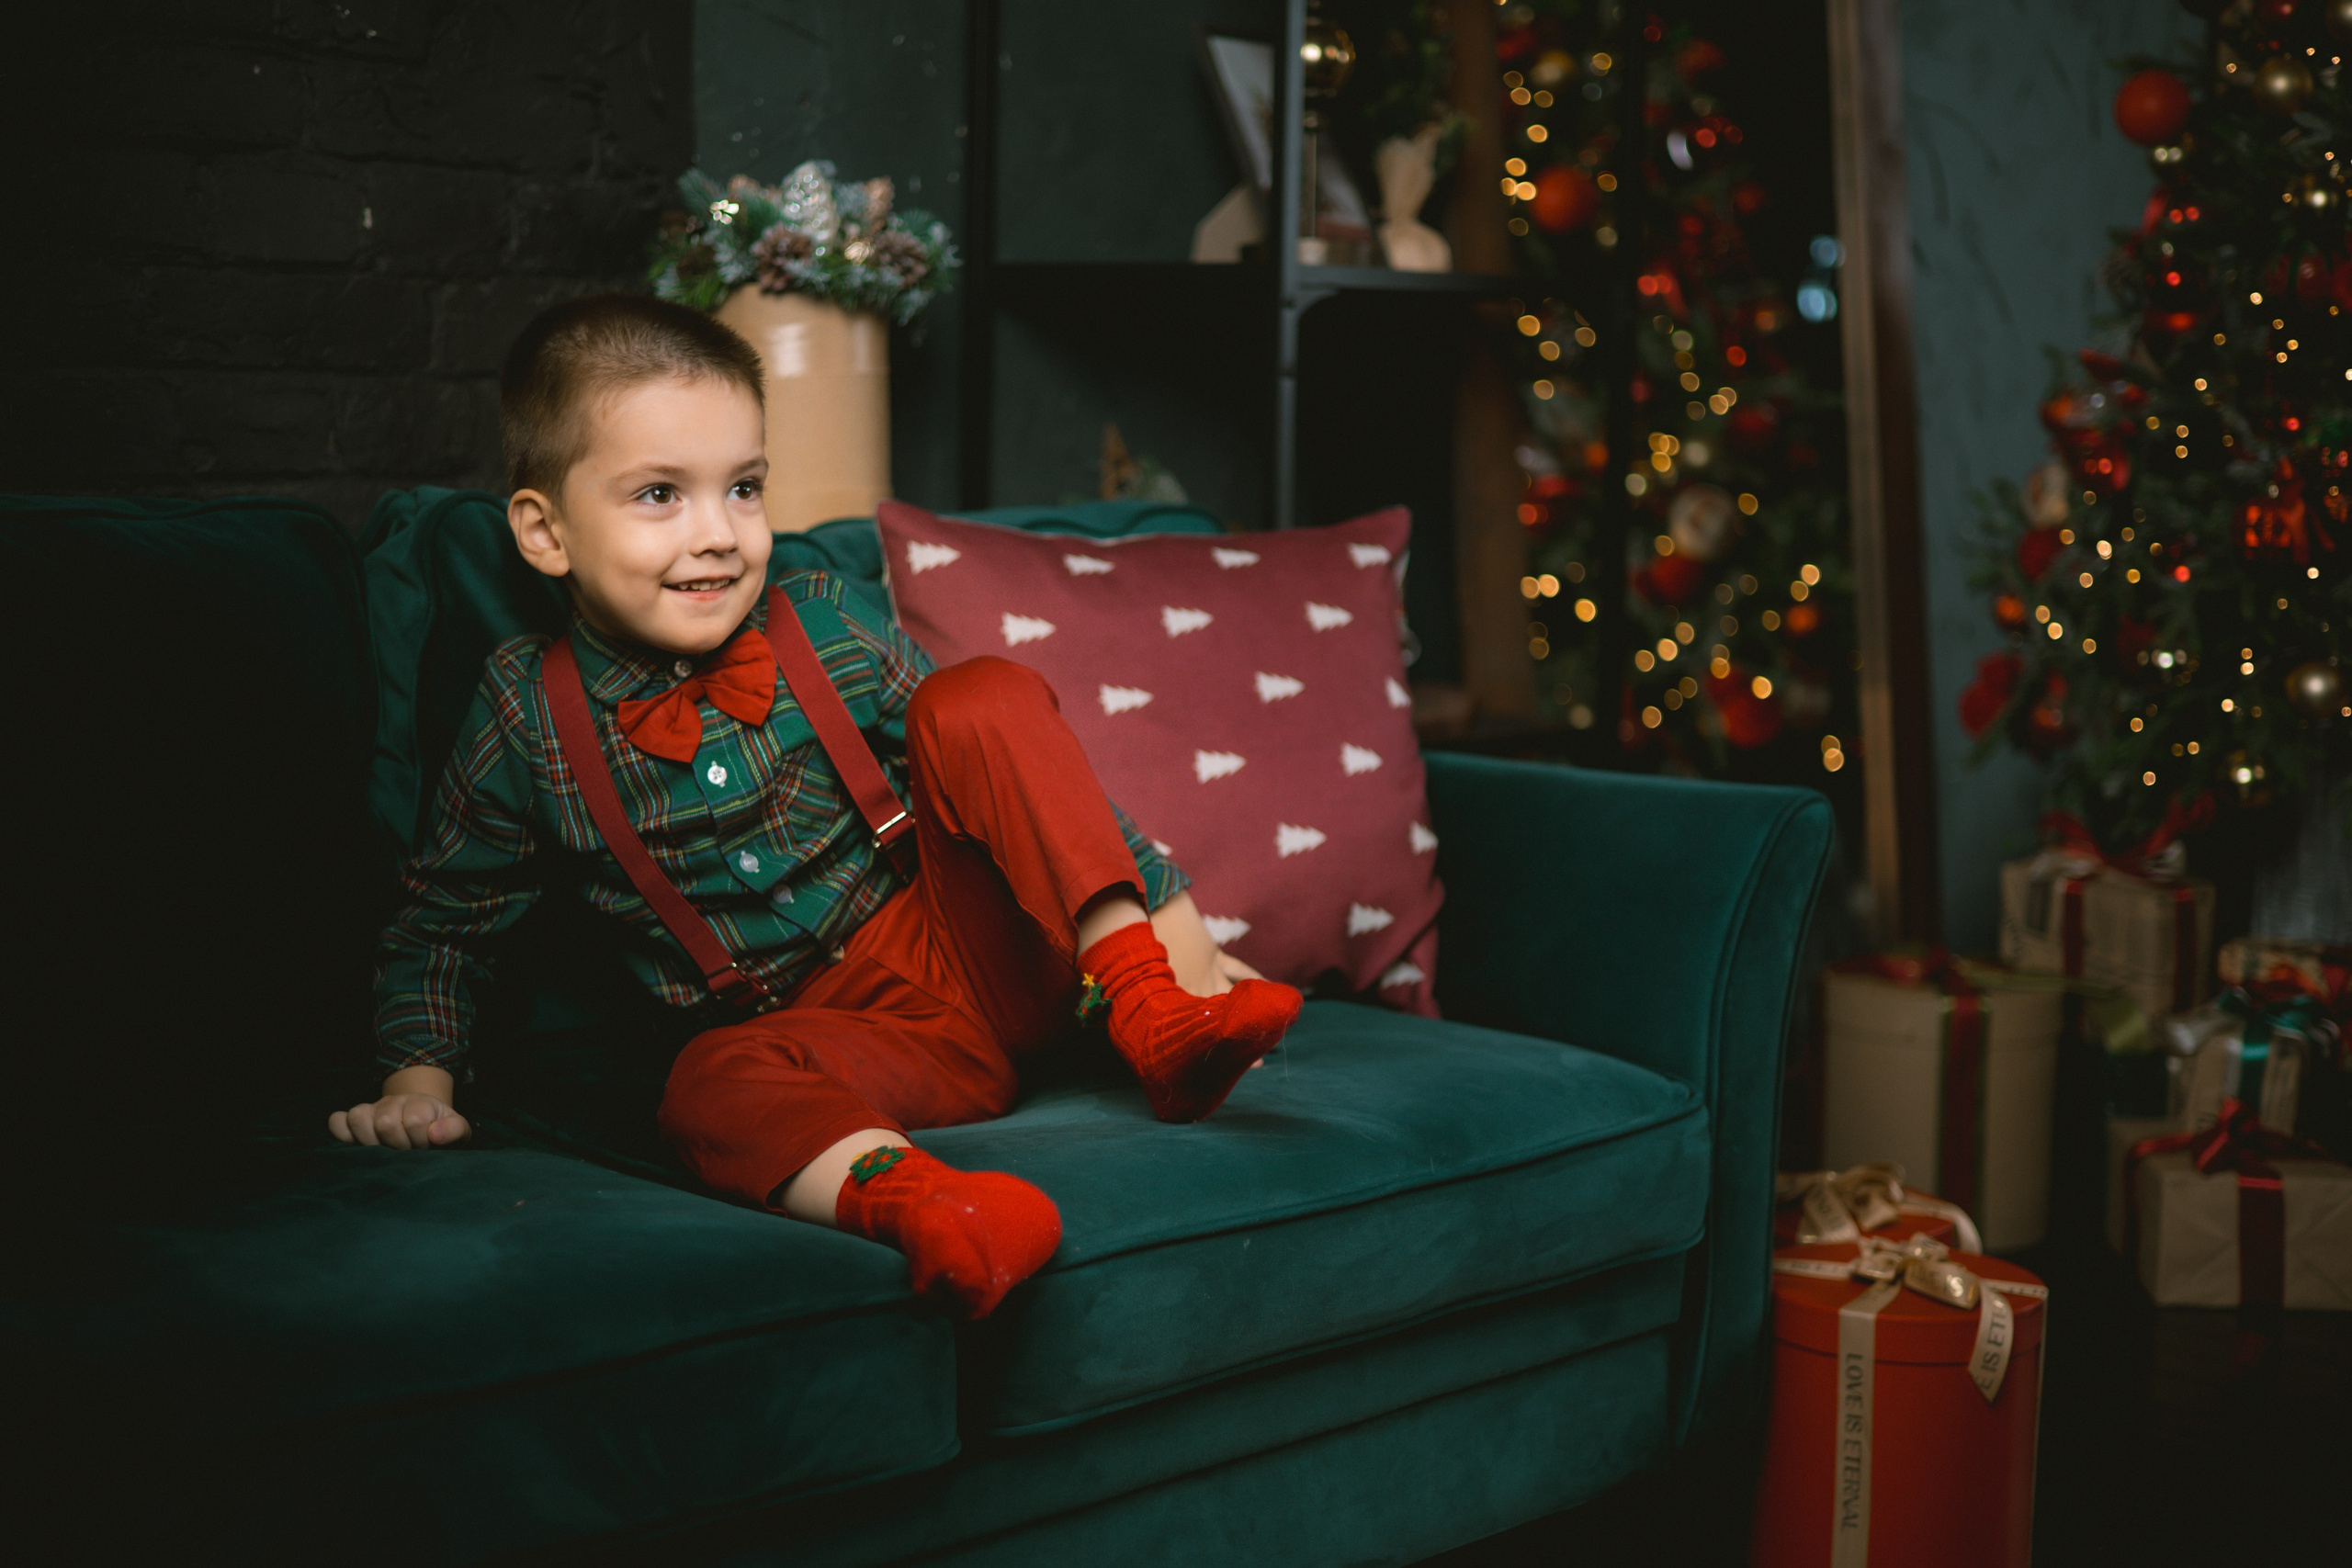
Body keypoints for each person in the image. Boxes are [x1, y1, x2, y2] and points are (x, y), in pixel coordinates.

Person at [331, 294, 1301, 1318]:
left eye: (743, 488)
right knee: (705, 1082)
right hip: (844, 1039)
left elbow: (1013, 774)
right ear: (544, 531)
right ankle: (931, 1209)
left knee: (981, 698)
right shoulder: (525, 715)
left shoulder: (826, 619)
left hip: (980, 948)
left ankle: (1149, 1010)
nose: (718, 535)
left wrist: (1177, 938)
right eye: (660, 494)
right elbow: (445, 921)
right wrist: (418, 1085)